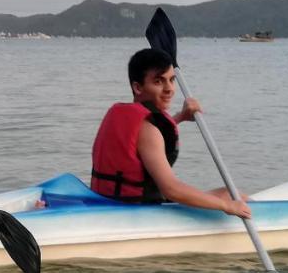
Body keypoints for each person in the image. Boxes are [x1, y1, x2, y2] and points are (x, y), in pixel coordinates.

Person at [89, 48, 252, 219]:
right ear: (138, 87)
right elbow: (171, 189)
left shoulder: (122, 116)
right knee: (232, 196)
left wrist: (180, 117)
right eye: (159, 82)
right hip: (141, 213)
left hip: (110, 204)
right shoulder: (148, 131)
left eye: (171, 80)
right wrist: (226, 206)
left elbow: (142, 143)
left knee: (229, 193)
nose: (169, 89)